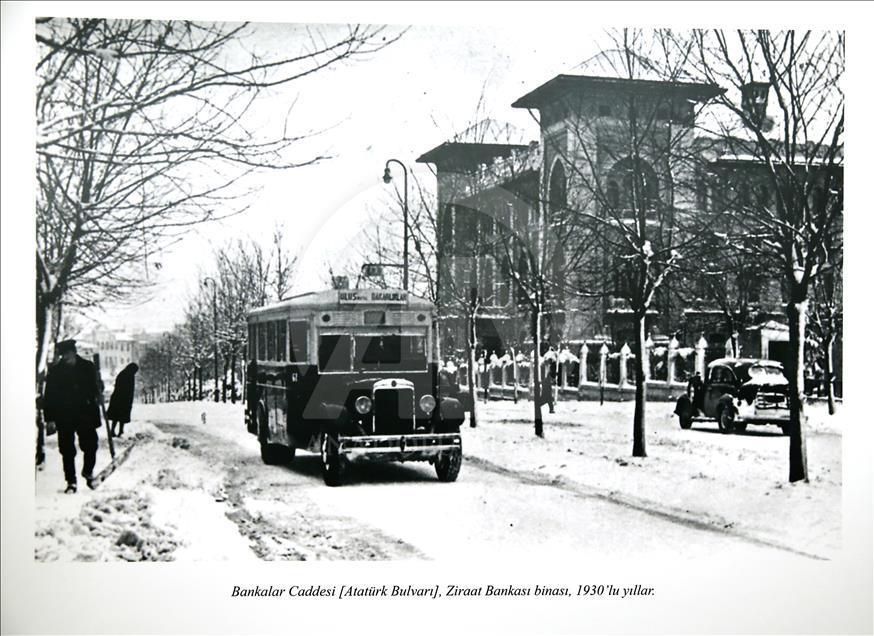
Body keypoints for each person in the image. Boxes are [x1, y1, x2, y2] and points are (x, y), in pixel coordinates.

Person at [42, 340, 102, 493]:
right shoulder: (55, 372)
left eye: (68, 354)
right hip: (64, 415)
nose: (65, 358)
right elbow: (49, 396)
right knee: (67, 450)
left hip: (85, 413)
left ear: (74, 352)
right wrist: (49, 418)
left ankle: (88, 471)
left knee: (91, 445)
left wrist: (98, 388)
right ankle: (71, 481)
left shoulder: (88, 367)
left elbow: (97, 388)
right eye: (63, 355)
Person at [106, 363, 139, 437]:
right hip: (123, 399)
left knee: (116, 416)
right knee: (121, 416)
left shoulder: (123, 373)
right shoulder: (129, 375)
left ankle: (115, 430)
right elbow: (128, 389)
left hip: (118, 398)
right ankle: (119, 431)